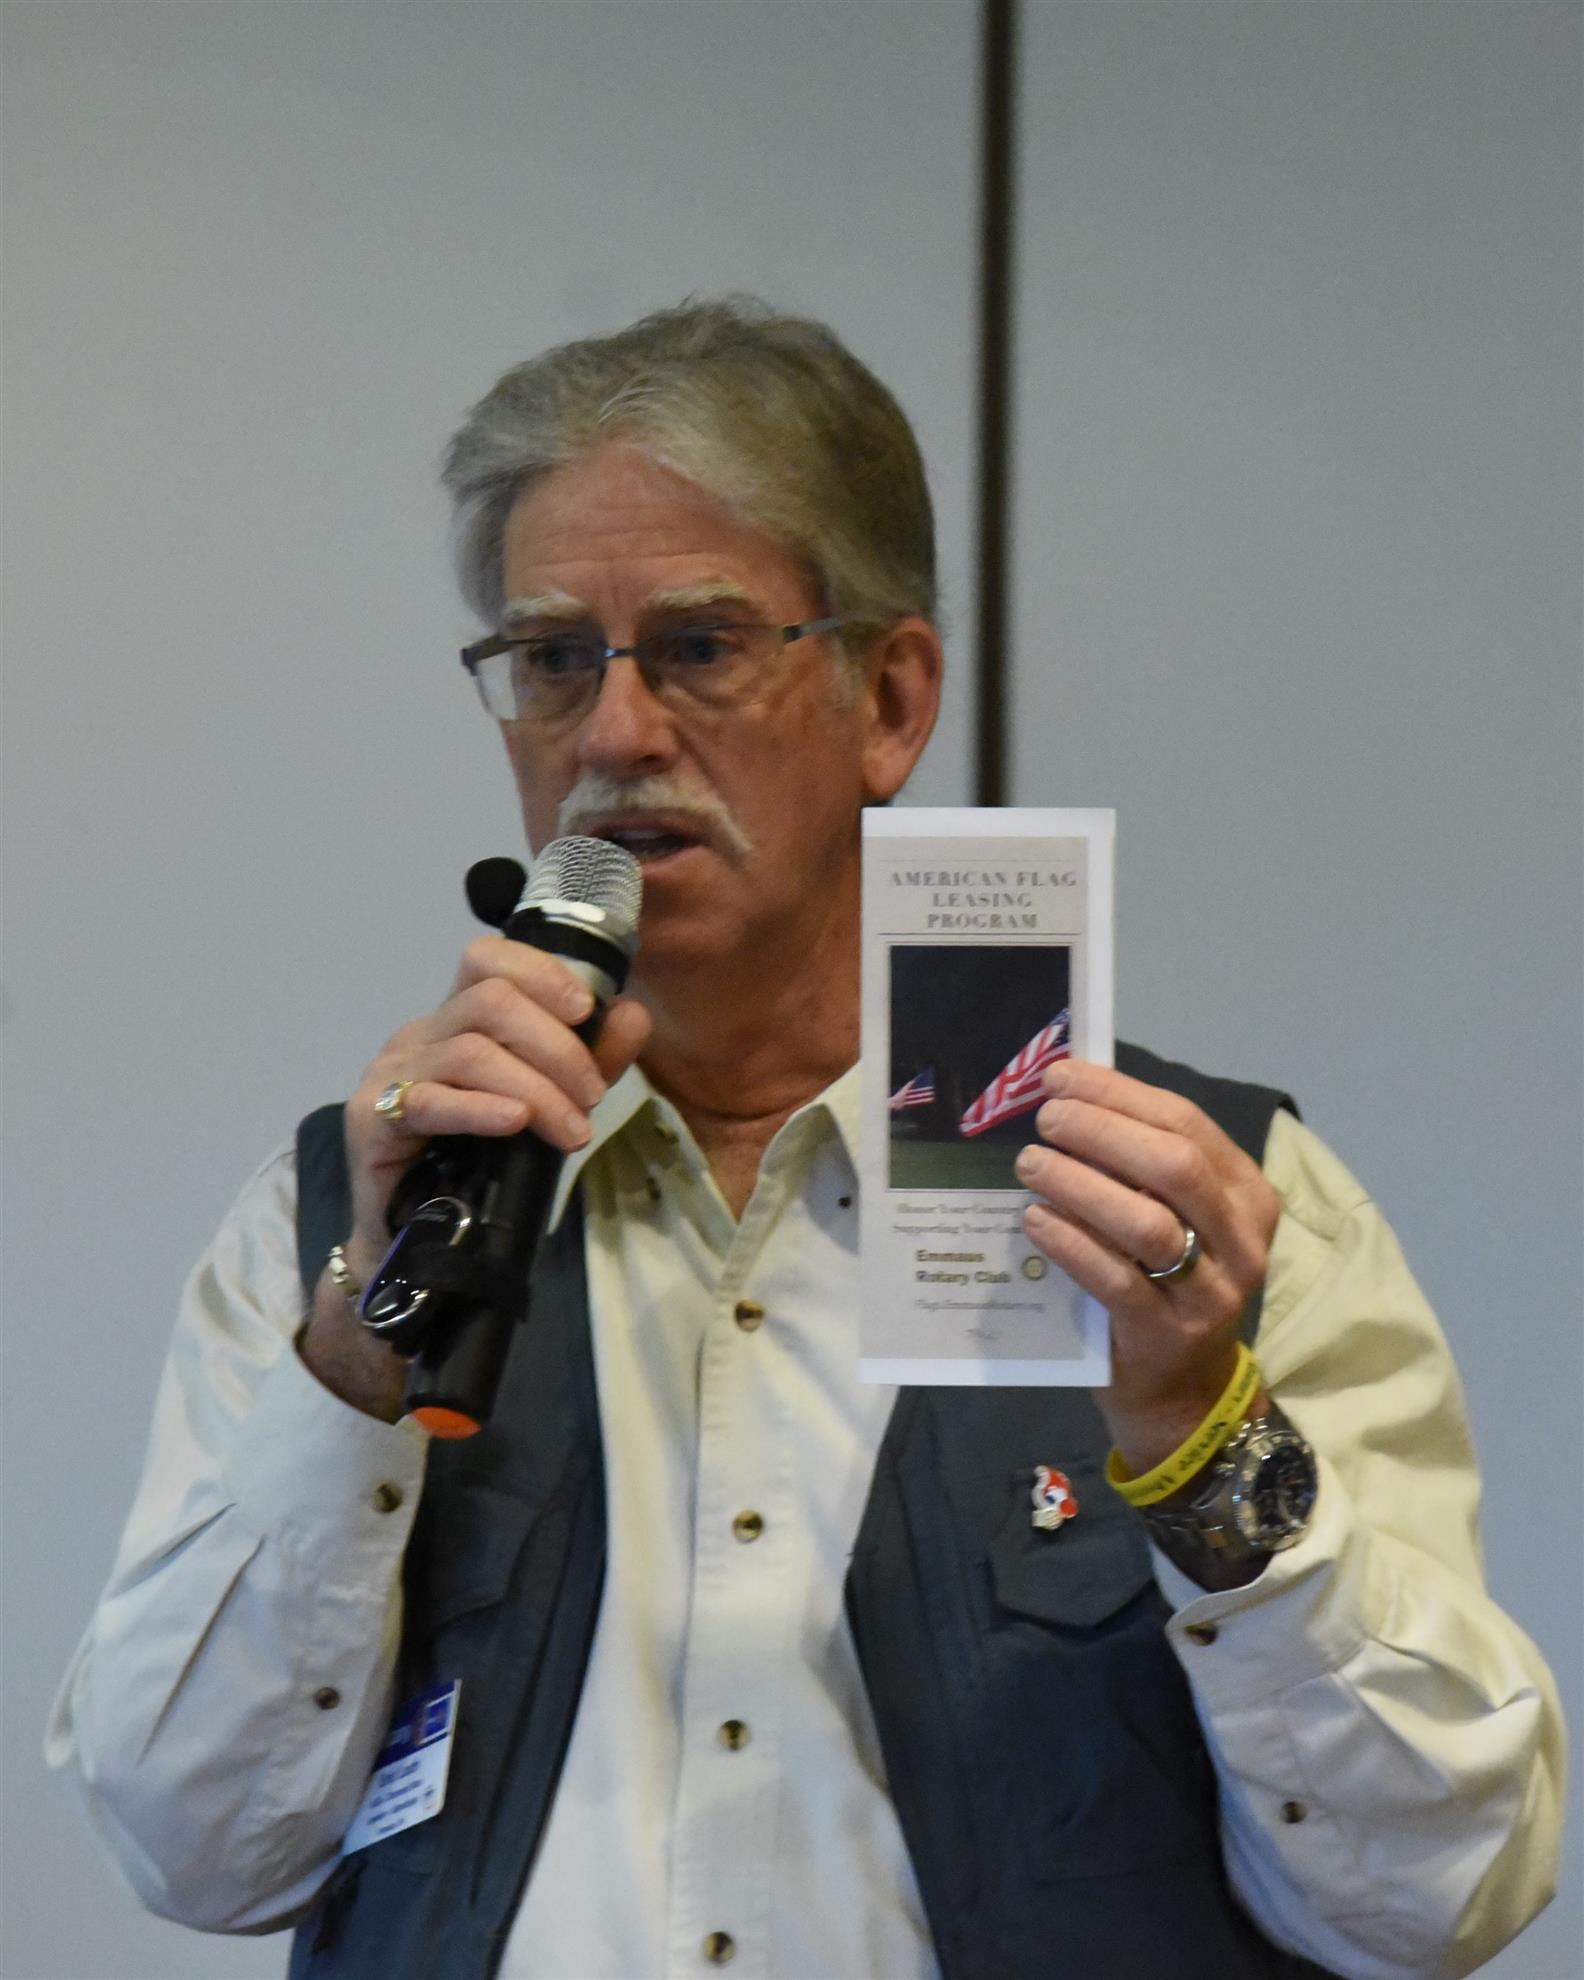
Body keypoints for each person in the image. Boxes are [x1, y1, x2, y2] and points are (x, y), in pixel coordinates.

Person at [50, 299, 1563, 1980]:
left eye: (699, 646)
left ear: (889, 699)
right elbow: (195, 1853)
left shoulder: (1210, 1212)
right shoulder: (343, 1216)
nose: (613, 734)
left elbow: (1439, 1897)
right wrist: (358, 1353)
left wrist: (1202, 1436)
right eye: (552, 658)